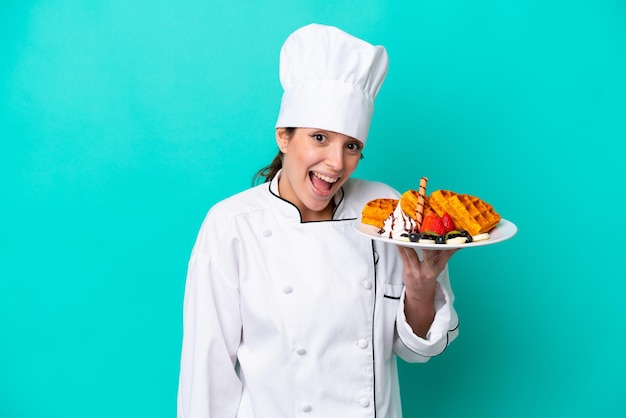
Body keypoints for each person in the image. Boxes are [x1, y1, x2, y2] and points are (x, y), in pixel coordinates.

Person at [177, 23, 459, 418]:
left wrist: (420, 290)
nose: (336, 163)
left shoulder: (388, 211)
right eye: (320, 138)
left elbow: (418, 349)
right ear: (284, 136)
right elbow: (207, 378)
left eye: (351, 146)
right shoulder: (232, 226)